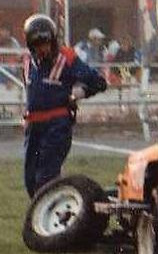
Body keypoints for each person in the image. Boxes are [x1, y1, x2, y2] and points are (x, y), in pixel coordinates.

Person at [22, 14, 107, 198]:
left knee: (46, 177)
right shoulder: (27, 61)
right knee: (30, 178)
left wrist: (78, 93)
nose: (43, 49)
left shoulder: (66, 58)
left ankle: (52, 219)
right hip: (34, 126)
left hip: (56, 125)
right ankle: (46, 212)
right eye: (38, 45)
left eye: (46, 43)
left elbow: (99, 82)